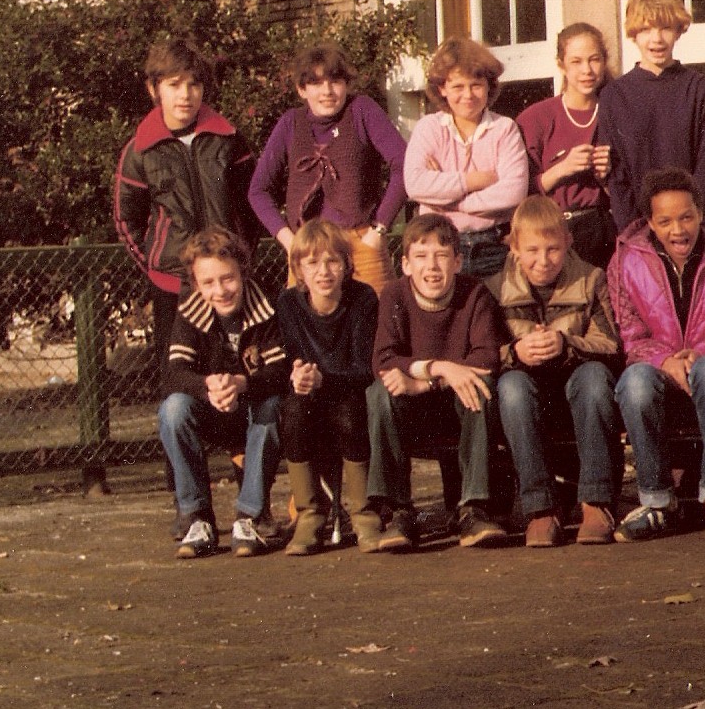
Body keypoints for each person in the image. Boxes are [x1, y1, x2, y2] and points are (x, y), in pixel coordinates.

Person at [607, 168, 705, 542]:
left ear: (703, 213)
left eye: (686, 217)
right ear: (650, 222)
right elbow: (631, 333)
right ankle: (656, 500)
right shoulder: (626, 259)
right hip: (655, 365)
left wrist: (697, 355)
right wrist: (666, 360)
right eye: (664, 221)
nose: (677, 229)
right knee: (633, 385)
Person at [487, 195, 624, 547]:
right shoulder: (495, 289)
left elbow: (610, 344)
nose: (543, 261)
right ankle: (540, 508)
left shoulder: (591, 279)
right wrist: (514, 353)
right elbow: (483, 355)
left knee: (595, 379)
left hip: (576, 381)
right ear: (514, 247)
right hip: (525, 390)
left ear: (568, 243)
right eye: (532, 250)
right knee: (512, 387)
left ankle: (596, 502)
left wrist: (566, 344)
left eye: (552, 249)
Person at [367, 214, 509, 550]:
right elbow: (383, 361)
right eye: (421, 256)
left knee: (478, 386)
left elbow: (487, 357)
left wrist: (428, 382)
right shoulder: (394, 295)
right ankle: (398, 511)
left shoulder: (475, 294)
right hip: (413, 412)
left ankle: (473, 509)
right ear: (405, 264)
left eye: (442, 256)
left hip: (458, 407)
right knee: (380, 393)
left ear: (457, 262)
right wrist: (439, 369)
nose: (432, 266)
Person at [113, 39, 258, 365]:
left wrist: (241, 259)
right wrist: (155, 266)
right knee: (181, 383)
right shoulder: (139, 150)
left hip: (229, 283)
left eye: (194, 84)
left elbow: (251, 207)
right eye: (174, 84)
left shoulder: (229, 140)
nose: (185, 94)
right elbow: (126, 219)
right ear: (154, 89)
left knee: (236, 374)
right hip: (173, 287)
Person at [156, 227, 286, 559]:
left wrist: (243, 383)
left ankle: (250, 516)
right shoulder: (190, 311)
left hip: (253, 410)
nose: (220, 290)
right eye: (209, 282)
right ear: (196, 284)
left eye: (227, 279)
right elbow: (174, 372)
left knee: (273, 406)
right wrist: (207, 386)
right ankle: (197, 517)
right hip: (211, 408)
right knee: (173, 410)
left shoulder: (267, 307)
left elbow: (279, 370)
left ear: (243, 272)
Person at [247, 42, 408, 293]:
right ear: (302, 89)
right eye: (316, 83)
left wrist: (378, 229)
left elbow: (404, 164)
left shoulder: (361, 111)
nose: (328, 91)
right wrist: (289, 241)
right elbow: (258, 190)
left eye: (335, 81)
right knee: (306, 326)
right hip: (307, 247)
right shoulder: (291, 123)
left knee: (376, 323)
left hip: (360, 242)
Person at [273, 219, 380, 555]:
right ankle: (310, 514)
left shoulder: (363, 298)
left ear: (347, 264)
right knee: (291, 409)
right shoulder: (288, 304)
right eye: (313, 262)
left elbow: (366, 368)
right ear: (298, 269)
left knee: (349, 410)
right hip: (309, 399)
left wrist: (324, 378)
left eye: (332, 260)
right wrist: (299, 377)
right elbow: (287, 361)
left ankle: (364, 513)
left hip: (351, 395)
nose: (324, 271)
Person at [596, 0, 705, 232]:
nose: (656, 39)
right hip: (637, 231)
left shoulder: (700, 90)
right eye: (645, 29)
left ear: (678, 30)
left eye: (665, 28)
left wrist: (692, 223)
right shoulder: (614, 95)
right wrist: (635, 234)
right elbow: (617, 176)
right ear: (633, 33)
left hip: (690, 228)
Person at [403, 36, 529, 280]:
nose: (468, 95)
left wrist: (448, 200)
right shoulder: (429, 128)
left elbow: (513, 191)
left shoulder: (504, 129)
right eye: (458, 87)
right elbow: (416, 184)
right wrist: (474, 181)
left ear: (488, 86)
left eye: (476, 85)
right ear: (442, 88)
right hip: (439, 248)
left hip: (493, 246)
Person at [515, 23, 617, 270]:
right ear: (561, 65)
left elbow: (630, 192)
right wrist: (562, 168)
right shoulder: (535, 118)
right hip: (548, 235)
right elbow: (518, 191)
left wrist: (606, 179)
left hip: (601, 233)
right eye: (576, 62)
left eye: (594, 60)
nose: (587, 70)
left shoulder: (615, 113)